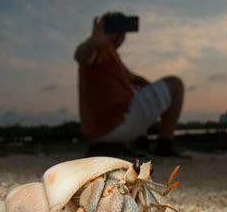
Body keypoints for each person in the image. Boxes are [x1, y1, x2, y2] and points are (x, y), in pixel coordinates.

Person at [75, 12, 185, 156]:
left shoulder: (110, 57)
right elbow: (81, 56)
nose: (121, 35)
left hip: (98, 133)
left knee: (137, 89)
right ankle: (165, 145)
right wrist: (93, 43)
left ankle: (142, 142)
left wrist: (152, 94)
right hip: (117, 124)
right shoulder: (100, 48)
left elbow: (135, 79)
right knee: (176, 84)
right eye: (114, 27)